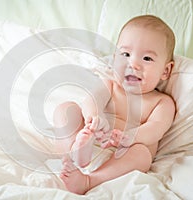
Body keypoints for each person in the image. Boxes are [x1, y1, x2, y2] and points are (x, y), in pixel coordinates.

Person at [53, 15, 176, 195]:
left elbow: (156, 129)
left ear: (165, 71)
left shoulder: (162, 102)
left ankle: (89, 180)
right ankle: (71, 154)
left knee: (142, 155)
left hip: (121, 156)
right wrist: (94, 118)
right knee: (65, 109)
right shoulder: (110, 85)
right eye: (125, 54)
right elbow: (91, 100)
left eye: (147, 58)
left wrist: (130, 136)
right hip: (91, 139)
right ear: (114, 58)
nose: (133, 64)